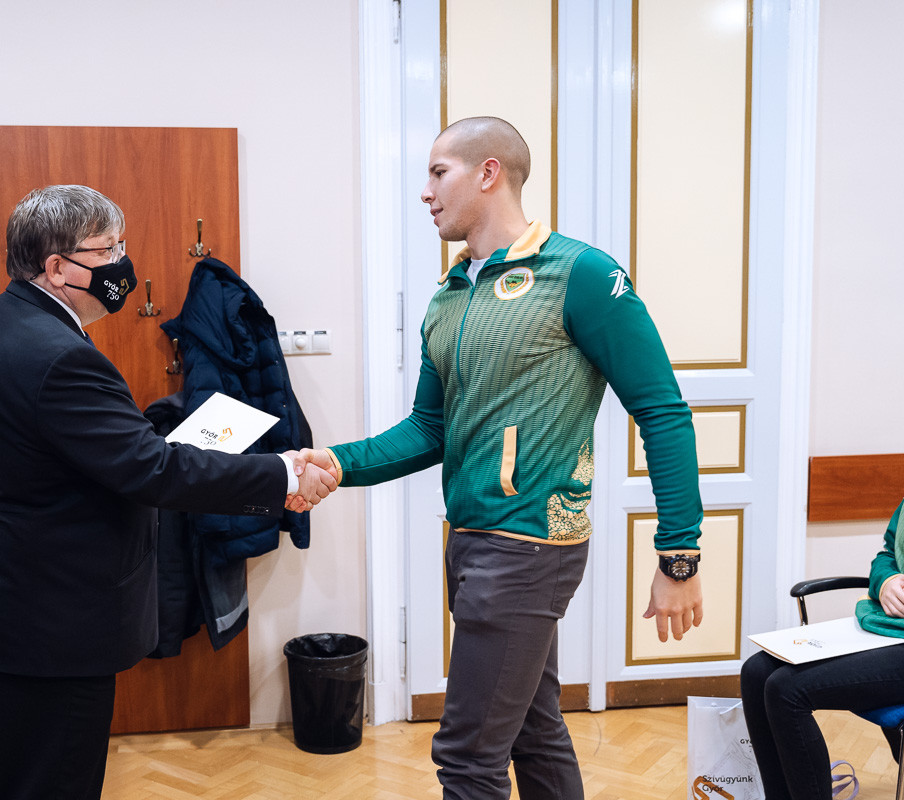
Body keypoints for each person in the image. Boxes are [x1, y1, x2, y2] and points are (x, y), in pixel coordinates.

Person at [292, 117, 705, 799]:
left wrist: (679, 554)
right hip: (470, 542)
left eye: (438, 173)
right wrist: (337, 463)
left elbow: (662, 410)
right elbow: (430, 428)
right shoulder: (451, 292)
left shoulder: (581, 274)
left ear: (489, 173)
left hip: (529, 547)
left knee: (466, 757)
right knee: (532, 730)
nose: (425, 192)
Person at [0, 184, 335, 800]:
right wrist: (281, 475)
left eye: (122, 245)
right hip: (45, 630)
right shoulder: (57, 354)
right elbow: (154, 473)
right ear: (57, 267)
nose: (122, 263)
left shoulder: (0, 322)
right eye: (107, 250)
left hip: (2, 611)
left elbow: (73, 451)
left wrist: (145, 441)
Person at [742, 498, 904, 800]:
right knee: (756, 671)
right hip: (887, 629)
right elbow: (887, 554)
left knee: (786, 690)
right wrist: (887, 582)